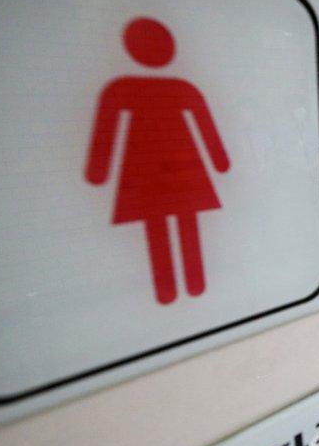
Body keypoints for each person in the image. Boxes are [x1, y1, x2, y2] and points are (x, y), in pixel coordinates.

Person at [85, 17, 230, 305]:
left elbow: (106, 130)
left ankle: (178, 289)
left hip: (153, 168)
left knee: (164, 226)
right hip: (168, 167)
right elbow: (207, 129)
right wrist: (219, 161)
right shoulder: (174, 88)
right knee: (173, 225)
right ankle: (184, 287)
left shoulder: (128, 88)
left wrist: (98, 171)